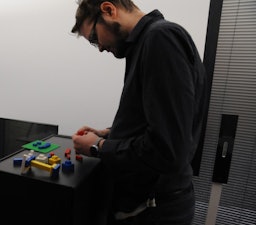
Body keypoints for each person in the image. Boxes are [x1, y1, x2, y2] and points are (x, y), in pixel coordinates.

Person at [70, 0, 208, 224]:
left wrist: (98, 147)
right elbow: (156, 121)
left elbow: (168, 150)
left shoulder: (161, 39)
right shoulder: (148, 43)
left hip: (154, 210)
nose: (101, 48)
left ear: (109, 10)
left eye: (95, 39)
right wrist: (107, 133)